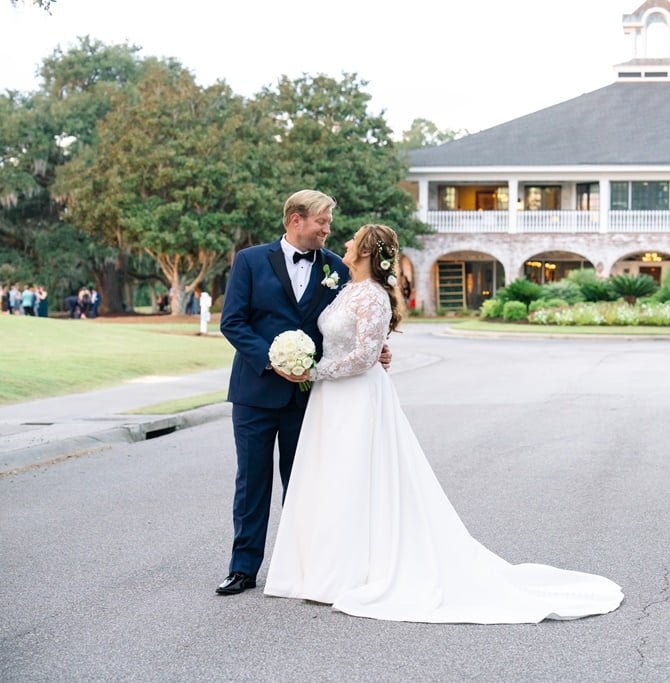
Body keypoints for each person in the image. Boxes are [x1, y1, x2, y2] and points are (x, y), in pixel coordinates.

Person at [263, 224, 622, 623]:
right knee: (331, 479)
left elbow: (364, 358)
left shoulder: (374, 297)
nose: (343, 243)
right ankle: (320, 570)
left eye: (352, 240)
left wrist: (315, 370)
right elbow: (349, 341)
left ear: (366, 251)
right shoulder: (346, 288)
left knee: (359, 478)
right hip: (330, 402)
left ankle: (353, 571)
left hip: (357, 399)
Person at [216, 189, 391, 596]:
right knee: (252, 483)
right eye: (322, 221)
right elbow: (233, 322)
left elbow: (356, 321)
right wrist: (271, 359)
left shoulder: (337, 268)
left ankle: (304, 567)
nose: (328, 230)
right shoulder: (250, 261)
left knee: (306, 484)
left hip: (311, 397)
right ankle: (243, 569)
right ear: (296, 219)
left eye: (329, 222)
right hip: (255, 392)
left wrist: (378, 347)